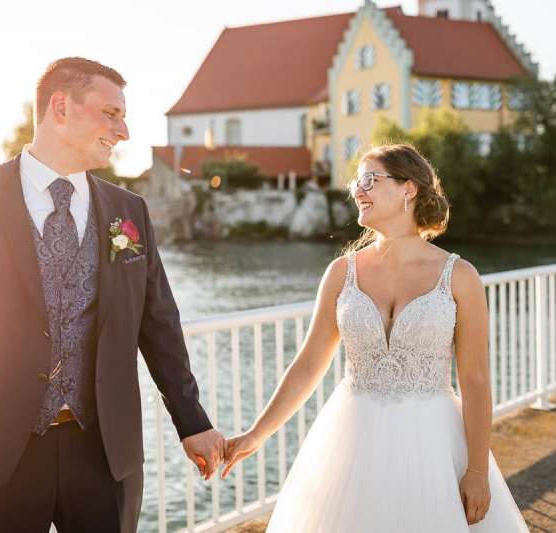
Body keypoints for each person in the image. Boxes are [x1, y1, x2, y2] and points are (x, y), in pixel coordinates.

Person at [0, 57, 224, 532]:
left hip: (105, 454)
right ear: (60, 107)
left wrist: (193, 421)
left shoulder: (128, 209)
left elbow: (158, 324)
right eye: (111, 114)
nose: (123, 131)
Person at [222, 144, 529, 532]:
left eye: (370, 180)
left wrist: (478, 470)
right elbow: (308, 363)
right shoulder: (341, 272)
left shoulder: (460, 276)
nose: (357, 191)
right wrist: (256, 434)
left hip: (431, 444)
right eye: (356, 183)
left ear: (409, 189)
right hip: (352, 442)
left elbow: (475, 380)